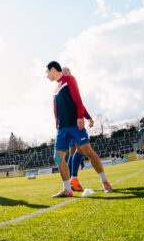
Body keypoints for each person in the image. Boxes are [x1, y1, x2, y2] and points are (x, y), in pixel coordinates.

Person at [45, 60, 113, 197]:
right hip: (62, 129)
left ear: (53, 69)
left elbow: (78, 99)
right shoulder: (55, 88)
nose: (46, 75)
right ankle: (67, 189)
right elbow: (56, 108)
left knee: (87, 151)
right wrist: (57, 123)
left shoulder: (69, 79)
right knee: (58, 157)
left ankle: (104, 181)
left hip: (75, 125)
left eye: (47, 72)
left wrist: (81, 117)